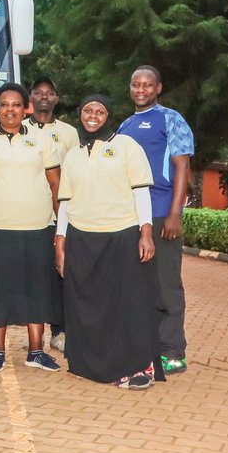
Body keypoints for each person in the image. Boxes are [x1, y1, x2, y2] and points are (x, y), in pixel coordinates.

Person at [56, 95, 161, 390]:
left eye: (99, 111)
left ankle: (137, 368)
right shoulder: (73, 154)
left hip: (121, 235)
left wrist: (146, 232)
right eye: (87, 110)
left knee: (126, 305)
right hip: (82, 238)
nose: (93, 115)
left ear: (108, 115)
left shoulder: (127, 146)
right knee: (85, 306)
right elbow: (65, 203)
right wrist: (60, 243)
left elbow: (141, 193)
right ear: (80, 114)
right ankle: (88, 365)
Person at [0, 82, 62, 373]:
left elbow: (56, 184)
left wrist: (62, 228)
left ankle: (36, 351)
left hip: (39, 227)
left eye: (16, 105)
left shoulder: (42, 139)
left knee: (38, 291)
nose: (10, 110)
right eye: (4, 104)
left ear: (25, 108)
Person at [117, 66, 194, 375]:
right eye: (136, 84)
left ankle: (173, 351)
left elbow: (182, 167)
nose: (141, 89)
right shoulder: (124, 125)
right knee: (137, 284)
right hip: (132, 214)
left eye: (148, 85)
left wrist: (175, 213)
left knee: (166, 284)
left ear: (158, 88)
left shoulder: (170, 119)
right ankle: (144, 347)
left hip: (162, 212)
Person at [27, 76, 80, 353]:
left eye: (49, 92)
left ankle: (59, 332)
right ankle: (30, 331)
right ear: (31, 98)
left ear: (57, 98)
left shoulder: (69, 133)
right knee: (32, 277)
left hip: (58, 216)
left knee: (59, 275)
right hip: (27, 216)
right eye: (38, 92)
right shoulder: (19, 128)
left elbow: (74, 173)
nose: (44, 97)